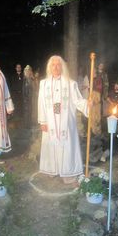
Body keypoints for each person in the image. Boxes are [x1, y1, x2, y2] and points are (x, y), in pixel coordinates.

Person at [38, 55, 91, 184]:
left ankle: (68, 172)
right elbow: (41, 103)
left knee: (67, 146)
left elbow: (78, 100)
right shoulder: (44, 84)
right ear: (49, 67)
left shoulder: (70, 83)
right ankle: (53, 169)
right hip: (50, 121)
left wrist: (87, 104)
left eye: (58, 64)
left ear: (62, 67)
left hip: (66, 123)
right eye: (53, 65)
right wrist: (42, 121)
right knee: (51, 144)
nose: (56, 67)